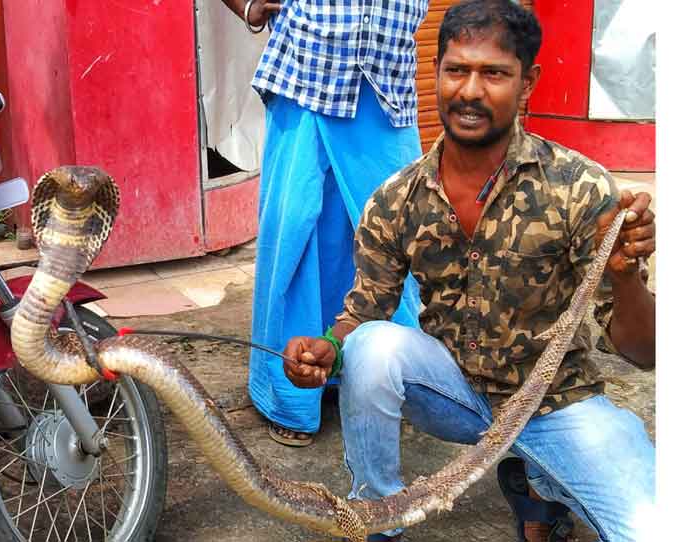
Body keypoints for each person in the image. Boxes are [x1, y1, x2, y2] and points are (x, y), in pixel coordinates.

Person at [280, 1, 656, 541]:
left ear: (529, 83)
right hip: (454, 398)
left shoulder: (581, 188)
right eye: (456, 70)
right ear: (434, 74)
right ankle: (378, 517)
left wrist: (625, 274)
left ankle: (533, 482)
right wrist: (327, 351)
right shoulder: (395, 201)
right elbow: (361, 317)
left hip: (557, 405)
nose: (471, 91)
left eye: (495, 74)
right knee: (373, 346)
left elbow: (643, 353)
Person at [216, 0, 432, 446]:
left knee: (398, 237)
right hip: (306, 80)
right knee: (298, 239)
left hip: (387, 87)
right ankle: (291, 396)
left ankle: (392, 380)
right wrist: (250, 6)